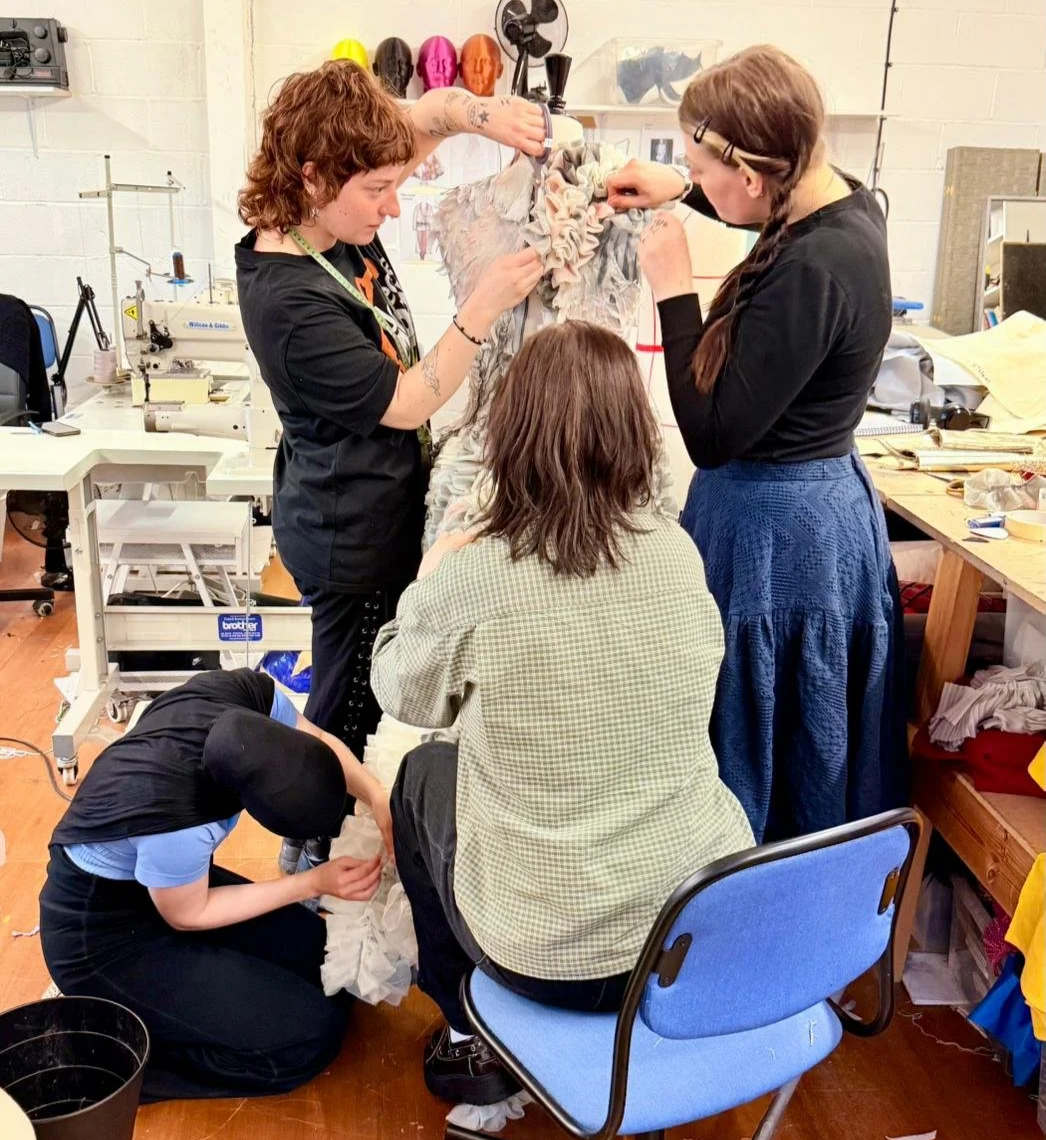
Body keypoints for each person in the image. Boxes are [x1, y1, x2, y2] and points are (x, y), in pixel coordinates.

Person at [370, 322, 754, 1106]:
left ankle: (467, 1032)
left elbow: (402, 693)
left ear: (511, 434)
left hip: (549, 958)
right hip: (695, 932)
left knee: (418, 778)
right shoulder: (678, 553)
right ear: (635, 436)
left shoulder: (477, 574)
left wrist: (428, 579)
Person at [236, 61, 545, 871]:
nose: (395, 201)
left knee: (366, 684)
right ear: (312, 175)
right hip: (348, 533)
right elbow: (410, 400)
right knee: (350, 698)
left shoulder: (333, 199)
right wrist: (479, 307)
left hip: (373, 501)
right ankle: (314, 850)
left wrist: (485, 117)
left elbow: (427, 114)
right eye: (377, 189)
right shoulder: (289, 303)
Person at [605, 45, 908, 843]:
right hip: (810, 509)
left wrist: (674, 290)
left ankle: (758, 922)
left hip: (782, 544)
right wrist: (682, 190)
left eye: (704, 169)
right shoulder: (841, 203)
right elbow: (763, 211)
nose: (697, 181)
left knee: (767, 761)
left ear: (755, 170)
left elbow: (708, 433)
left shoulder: (817, 269)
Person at [39, 669, 389, 1103]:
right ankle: (102, 1062)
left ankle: (163, 1006)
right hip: (98, 934)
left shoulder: (244, 693)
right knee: (310, 1037)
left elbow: (319, 738)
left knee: (324, 961)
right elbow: (188, 915)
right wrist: (311, 882)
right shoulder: (178, 818)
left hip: (160, 885)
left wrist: (376, 796)